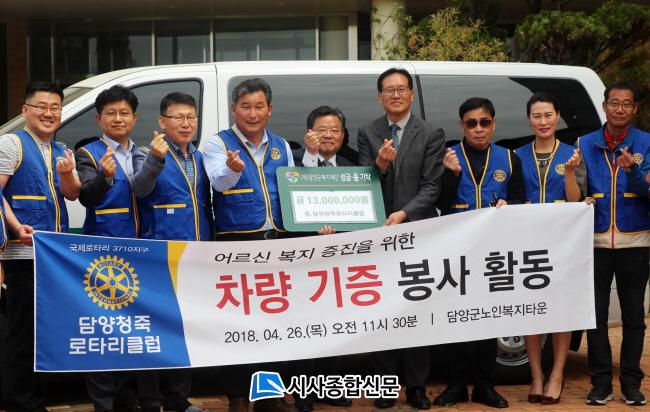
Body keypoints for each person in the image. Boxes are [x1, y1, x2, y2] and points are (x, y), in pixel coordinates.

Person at [202, 78, 294, 412]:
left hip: (277, 242)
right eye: (245, 107)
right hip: (237, 243)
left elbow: (294, 191)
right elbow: (218, 183)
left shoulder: (282, 146)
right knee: (238, 324)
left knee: (274, 321)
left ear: (270, 109)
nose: (252, 114)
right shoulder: (217, 144)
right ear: (233, 109)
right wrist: (232, 168)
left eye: (259, 106)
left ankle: (268, 395)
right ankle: (238, 395)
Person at [75, 84, 169, 412]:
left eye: (124, 113)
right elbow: (86, 197)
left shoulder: (144, 153)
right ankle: (104, 403)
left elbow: (146, 191)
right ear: (99, 119)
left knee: (136, 330)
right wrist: (103, 177)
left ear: (134, 118)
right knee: (103, 332)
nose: (118, 119)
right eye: (111, 113)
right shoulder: (88, 153)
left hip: (140, 253)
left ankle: (132, 400)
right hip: (103, 254)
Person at [357, 67, 445, 410]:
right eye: (389, 90)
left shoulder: (431, 132)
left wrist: (404, 214)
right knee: (382, 311)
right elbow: (362, 181)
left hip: (417, 232)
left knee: (415, 310)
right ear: (380, 96)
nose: (395, 95)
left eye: (401, 89)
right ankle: (385, 386)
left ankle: (417, 388)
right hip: (379, 235)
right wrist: (379, 164)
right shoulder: (368, 131)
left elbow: (432, 186)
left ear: (411, 94)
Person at [434, 97, 524, 409]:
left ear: (493, 124)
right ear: (462, 126)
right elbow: (439, 204)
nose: (478, 128)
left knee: (489, 319)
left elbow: (520, 200)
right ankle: (456, 385)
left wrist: (509, 205)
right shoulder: (448, 157)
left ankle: (485, 387)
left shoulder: (509, 159)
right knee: (457, 320)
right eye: (471, 123)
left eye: (484, 122)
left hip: (493, 253)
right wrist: (450, 175)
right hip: (457, 251)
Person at [0, 81, 80, 412]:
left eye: (55, 108)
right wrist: (15, 226)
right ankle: (19, 401)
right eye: (41, 107)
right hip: (22, 255)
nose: (49, 113)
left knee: (43, 332)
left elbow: (72, 193)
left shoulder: (60, 150)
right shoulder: (11, 144)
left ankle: (35, 399)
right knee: (22, 333)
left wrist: (68, 173)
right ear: (25, 110)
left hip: (51, 257)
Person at [137, 91, 212, 412]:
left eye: (191, 117)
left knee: (185, 329)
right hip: (160, 255)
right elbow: (139, 188)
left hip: (196, 256)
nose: (186, 123)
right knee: (154, 329)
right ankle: (150, 401)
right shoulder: (147, 153)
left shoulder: (200, 157)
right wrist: (156, 159)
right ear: (162, 121)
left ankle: (178, 399)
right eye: (178, 117)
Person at [579, 81, 650, 406]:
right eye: (614, 103)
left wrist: (632, 170)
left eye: (626, 104)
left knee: (634, 316)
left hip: (635, 240)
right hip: (594, 242)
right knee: (595, 315)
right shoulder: (585, 142)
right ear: (604, 106)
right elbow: (577, 189)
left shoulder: (646, 143)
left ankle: (631, 383)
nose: (619, 109)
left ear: (634, 109)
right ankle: (600, 383)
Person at [515, 91, 586, 405]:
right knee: (531, 311)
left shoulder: (572, 154)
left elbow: (576, 200)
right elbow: (514, 197)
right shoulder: (517, 155)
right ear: (529, 120)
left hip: (563, 244)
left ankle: (557, 373)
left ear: (558, 117)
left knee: (560, 311)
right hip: (528, 244)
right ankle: (536, 375)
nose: (543, 121)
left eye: (548, 115)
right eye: (536, 116)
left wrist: (569, 172)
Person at [291, 105, 355, 412]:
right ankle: (302, 393)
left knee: (335, 325)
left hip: (341, 259)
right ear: (309, 134)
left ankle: (327, 387)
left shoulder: (353, 167)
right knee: (305, 327)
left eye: (334, 130)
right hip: (305, 259)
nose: (328, 135)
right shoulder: (294, 163)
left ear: (342, 135)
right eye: (321, 130)